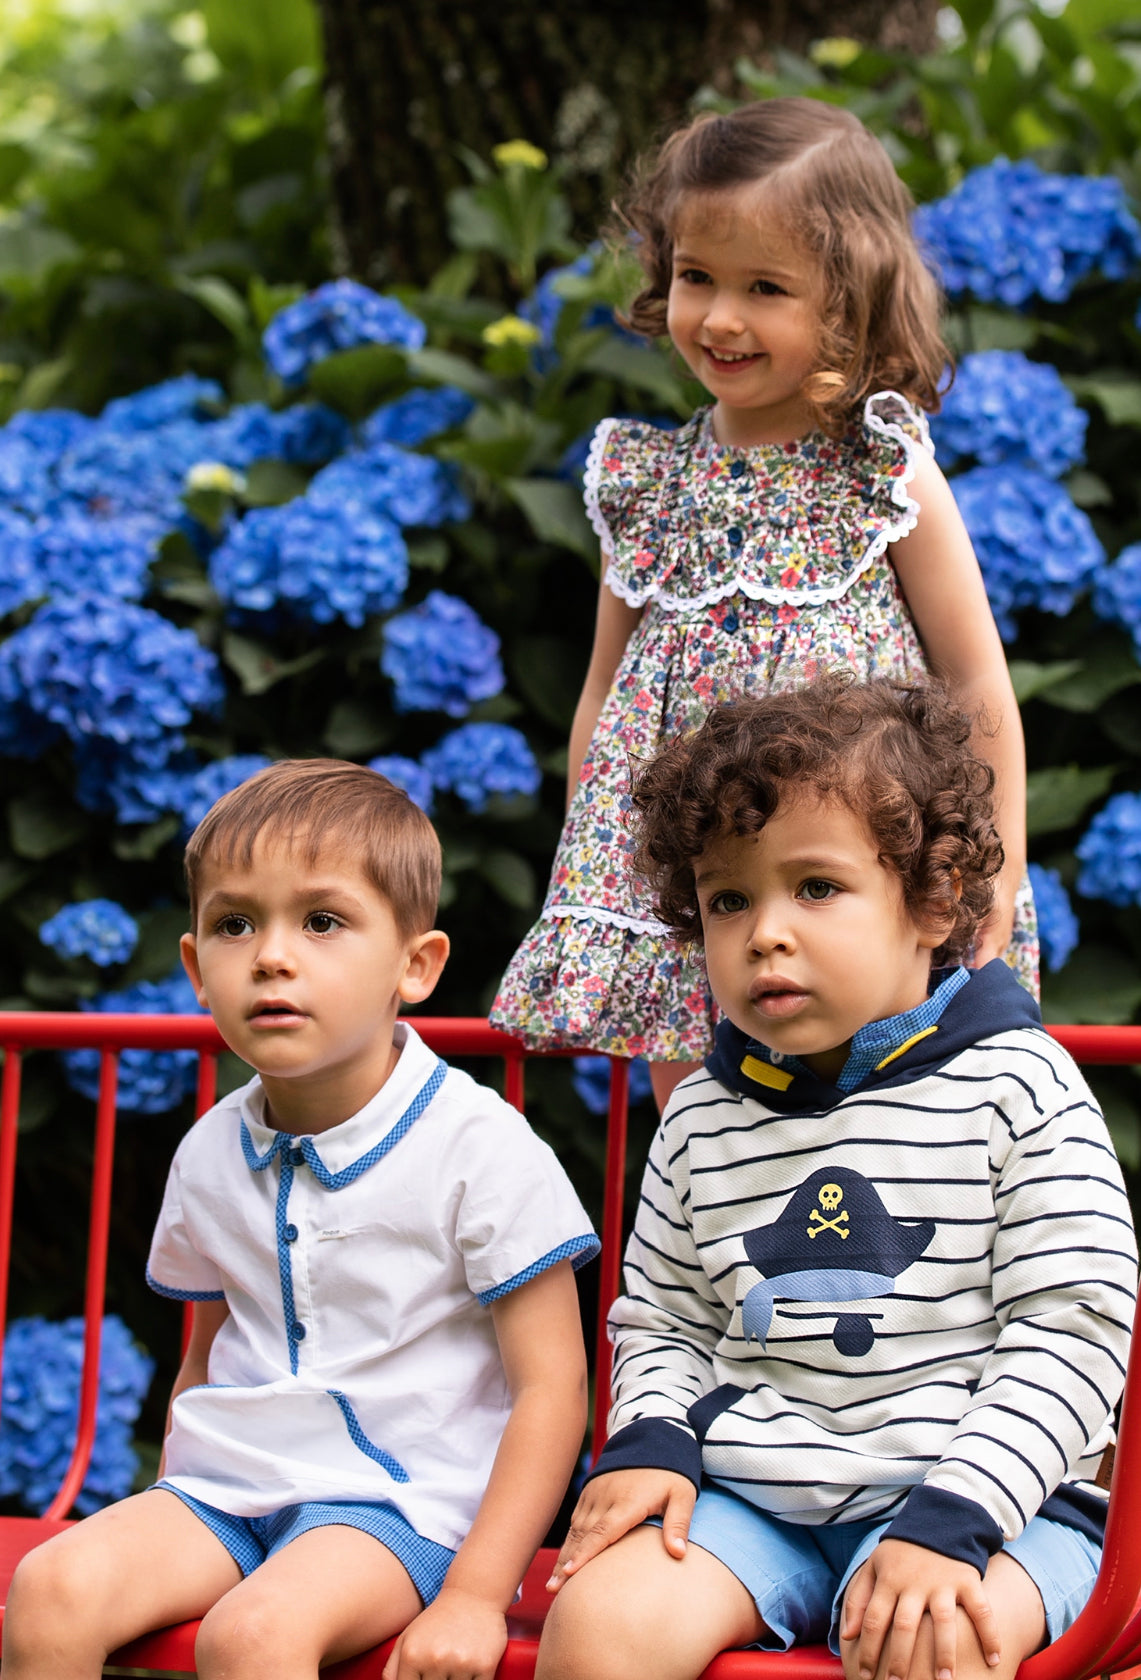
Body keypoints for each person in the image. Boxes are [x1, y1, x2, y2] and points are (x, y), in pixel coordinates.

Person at [537, 676, 1137, 1680]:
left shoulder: (1018, 1086)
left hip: (994, 1502)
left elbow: (1073, 1330)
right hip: (754, 1500)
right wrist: (649, 1441)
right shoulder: (703, 1115)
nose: (765, 930)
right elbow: (665, 1322)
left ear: (931, 902)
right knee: (599, 1628)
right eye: (728, 898)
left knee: (933, 1644)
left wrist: (952, 1516)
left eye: (815, 887)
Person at [491, 97, 1036, 1113]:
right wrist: (603, 877)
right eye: (697, 276)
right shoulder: (647, 481)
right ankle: (715, 1270)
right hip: (702, 878)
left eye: (767, 287)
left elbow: (972, 678)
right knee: (707, 1122)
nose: (721, 318)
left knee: (889, 1115)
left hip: (859, 858)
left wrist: (996, 855)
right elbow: (608, 693)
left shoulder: (879, 466)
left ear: (847, 298)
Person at [3, 759, 598, 1680]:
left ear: (416, 965)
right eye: (236, 924)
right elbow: (206, 1354)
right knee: (51, 1586)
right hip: (224, 1487)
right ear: (198, 969)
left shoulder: (480, 1146)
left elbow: (553, 1390)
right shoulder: (208, 1151)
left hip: (401, 1505)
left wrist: (479, 1594)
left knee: (253, 1633)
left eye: (322, 921)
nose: (272, 955)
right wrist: (170, 1500)